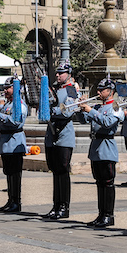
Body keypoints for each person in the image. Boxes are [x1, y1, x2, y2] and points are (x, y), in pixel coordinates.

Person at [79, 78, 120, 228]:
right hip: (96, 146)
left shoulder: (115, 107)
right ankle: (101, 214)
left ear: (110, 91)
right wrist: (80, 108)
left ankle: (109, 215)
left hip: (107, 146)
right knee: (99, 182)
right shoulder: (97, 106)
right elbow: (83, 121)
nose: (98, 92)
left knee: (108, 183)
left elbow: (108, 122)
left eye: (102, 90)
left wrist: (91, 111)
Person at [42, 63, 78, 221]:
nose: (58, 75)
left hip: (63, 134)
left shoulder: (70, 89)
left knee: (63, 171)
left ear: (68, 74)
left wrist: (51, 110)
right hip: (52, 133)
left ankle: (64, 206)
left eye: (61, 73)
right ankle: (56, 205)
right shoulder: (55, 89)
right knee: (55, 171)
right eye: (57, 73)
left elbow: (68, 110)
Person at [0, 78, 27, 213]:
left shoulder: (19, 104)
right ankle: (11, 199)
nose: (5, 90)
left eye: (8, 88)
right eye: (4, 88)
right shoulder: (8, 104)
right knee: (8, 173)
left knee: (15, 174)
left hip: (15, 141)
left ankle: (16, 202)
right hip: (6, 142)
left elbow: (16, 122)